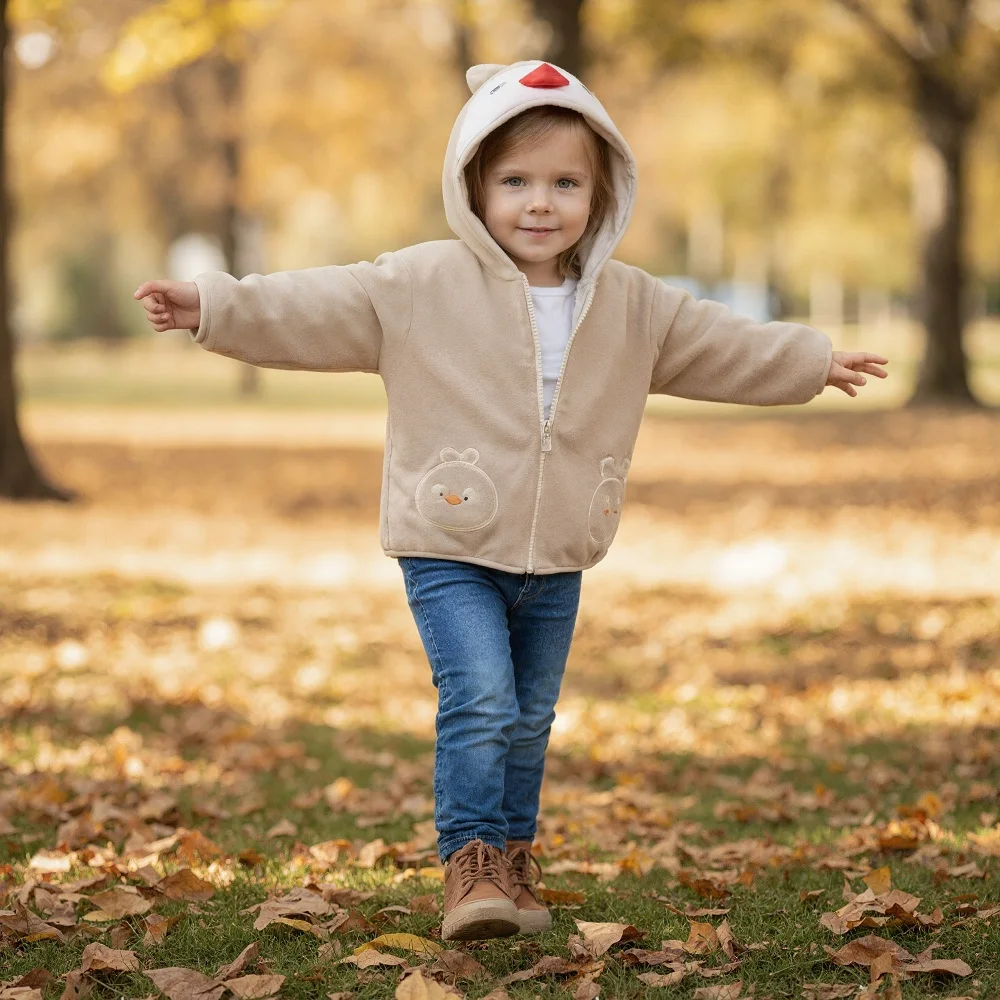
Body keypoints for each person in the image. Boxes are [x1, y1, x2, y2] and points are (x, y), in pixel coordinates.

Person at [135, 59, 889, 942]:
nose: (541, 203)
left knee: (531, 717)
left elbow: (719, 343)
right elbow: (312, 302)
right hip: (449, 541)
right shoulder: (419, 285)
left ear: (601, 193)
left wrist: (809, 361)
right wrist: (211, 304)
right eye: (516, 181)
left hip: (559, 549)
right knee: (483, 695)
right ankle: (469, 864)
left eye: (566, 182)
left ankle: (515, 865)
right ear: (474, 187)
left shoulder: (629, 303)